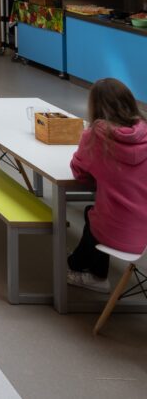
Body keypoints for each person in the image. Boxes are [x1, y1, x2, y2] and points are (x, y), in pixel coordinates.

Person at [67, 78, 147, 292]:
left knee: (94, 214)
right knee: (96, 212)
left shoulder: (95, 136)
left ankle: (89, 272)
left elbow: (79, 173)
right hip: (145, 236)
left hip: (119, 235)